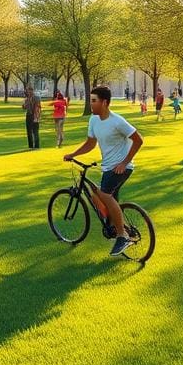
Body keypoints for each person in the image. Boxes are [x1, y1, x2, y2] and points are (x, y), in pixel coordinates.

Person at [63, 85, 144, 256]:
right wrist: (73, 154)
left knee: (104, 194)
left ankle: (122, 236)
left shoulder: (117, 121)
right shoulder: (93, 120)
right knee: (101, 196)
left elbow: (138, 140)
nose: (91, 104)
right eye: (90, 100)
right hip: (107, 168)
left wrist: (124, 162)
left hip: (122, 168)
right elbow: (90, 144)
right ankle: (117, 227)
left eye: (94, 101)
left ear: (105, 102)